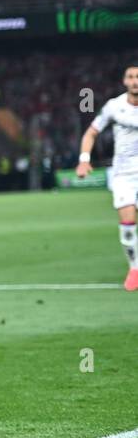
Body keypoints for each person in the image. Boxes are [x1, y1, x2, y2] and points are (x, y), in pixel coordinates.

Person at [76, 63, 138, 290]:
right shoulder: (114, 106)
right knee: (128, 224)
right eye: (130, 77)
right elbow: (91, 133)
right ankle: (134, 268)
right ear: (124, 81)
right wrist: (84, 160)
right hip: (123, 174)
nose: (134, 81)